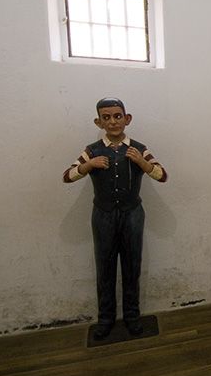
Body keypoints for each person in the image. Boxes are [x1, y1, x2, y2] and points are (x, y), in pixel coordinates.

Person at [63, 98, 168, 340]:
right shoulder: (92, 150)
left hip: (132, 214)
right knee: (105, 267)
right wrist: (88, 165)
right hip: (103, 216)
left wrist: (141, 162)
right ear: (98, 121)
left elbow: (162, 175)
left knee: (132, 266)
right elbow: (67, 176)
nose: (113, 121)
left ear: (127, 118)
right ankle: (105, 319)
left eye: (117, 116)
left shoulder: (140, 148)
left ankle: (132, 316)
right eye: (107, 117)